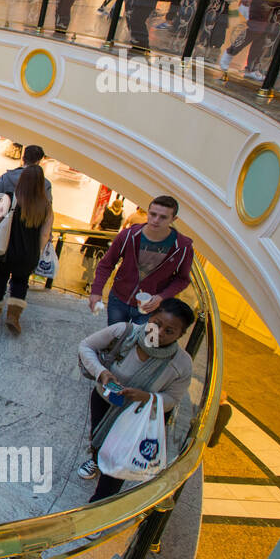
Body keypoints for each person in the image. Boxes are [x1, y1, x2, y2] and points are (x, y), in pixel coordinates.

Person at [76, 299, 196, 501]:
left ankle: (100, 504)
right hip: (104, 401)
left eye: (169, 331)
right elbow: (86, 346)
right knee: (98, 437)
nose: (158, 333)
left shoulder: (181, 363)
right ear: (149, 317)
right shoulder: (124, 332)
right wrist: (102, 372)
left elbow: (173, 398)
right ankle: (97, 459)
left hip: (136, 416)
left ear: (180, 335)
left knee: (119, 460)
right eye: (156, 323)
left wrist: (147, 398)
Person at [89, 195, 195, 326]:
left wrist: (162, 297)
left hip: (151, 306)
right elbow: (106, 264)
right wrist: (96, 291)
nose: (156, 220)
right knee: (114, 335)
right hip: (119, 299)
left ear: (174, 219)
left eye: (163, 217)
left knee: (142, 341)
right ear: (148, 212)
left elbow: (183, 279)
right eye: (153, 214)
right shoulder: (128, 235)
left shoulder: (182, 246)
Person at [0, 165, 52, 334]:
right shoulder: (46, 207)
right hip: (29, 254)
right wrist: (37, 253)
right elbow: (45, 234)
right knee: (21, 282)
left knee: (0, 278)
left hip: (7, 250)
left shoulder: (9, 198)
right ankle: (13, 315)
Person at [0, 144, 53, 290]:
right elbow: (46, 218)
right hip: (30, 235)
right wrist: (40, 247)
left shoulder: (8, 177)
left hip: (5, 229)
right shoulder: (45, 184)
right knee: (21, 279)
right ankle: (14, 308)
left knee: (0, 268)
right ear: (40, 161)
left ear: (23, 158)